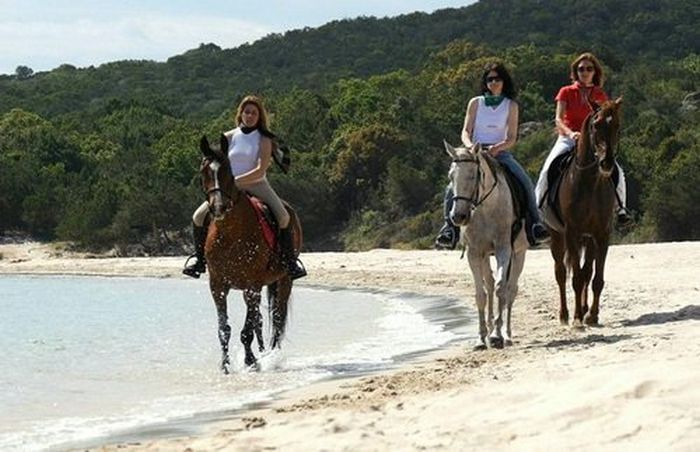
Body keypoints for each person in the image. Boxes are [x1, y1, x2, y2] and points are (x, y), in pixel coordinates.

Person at [183, 95, 307, 280]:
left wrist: (236, 181)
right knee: (198, 217)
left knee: (283, 216)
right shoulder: (228, 136)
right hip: (229, 189)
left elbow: (260, 170)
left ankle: (290, 262)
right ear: (240, 114)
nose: (250, 116)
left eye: (254, 113)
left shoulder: (264, 139)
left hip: (257, 184)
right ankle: (199, 260)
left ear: (259, 116)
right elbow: (218, 162)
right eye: (247, 112)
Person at [435, 62, 549, 249]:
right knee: (452, 187)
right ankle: (449, 229)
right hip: (474, 152)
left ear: (504, 81)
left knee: (525, 181)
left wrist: (497, 148)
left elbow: (512, 137)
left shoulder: (511, 105)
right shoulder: (475, 102)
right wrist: (471, 146)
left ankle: (534, 225)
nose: (494, 82)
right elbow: (465, 131)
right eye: (490, 79)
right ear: (485, 83)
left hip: (499, 152)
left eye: (497, 79)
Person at [534, 52, 632, 226]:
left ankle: (621, 209)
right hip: (568, 138)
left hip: (593, 141)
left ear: (595, 72)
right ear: (575, 72)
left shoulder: (600, 94)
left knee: (618, 171)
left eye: (589, 68)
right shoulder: (566, 91)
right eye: (581, 69)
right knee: (547, 169)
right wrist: (571, 133)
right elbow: (558, 119)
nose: (585, 72)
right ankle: (538, 215)